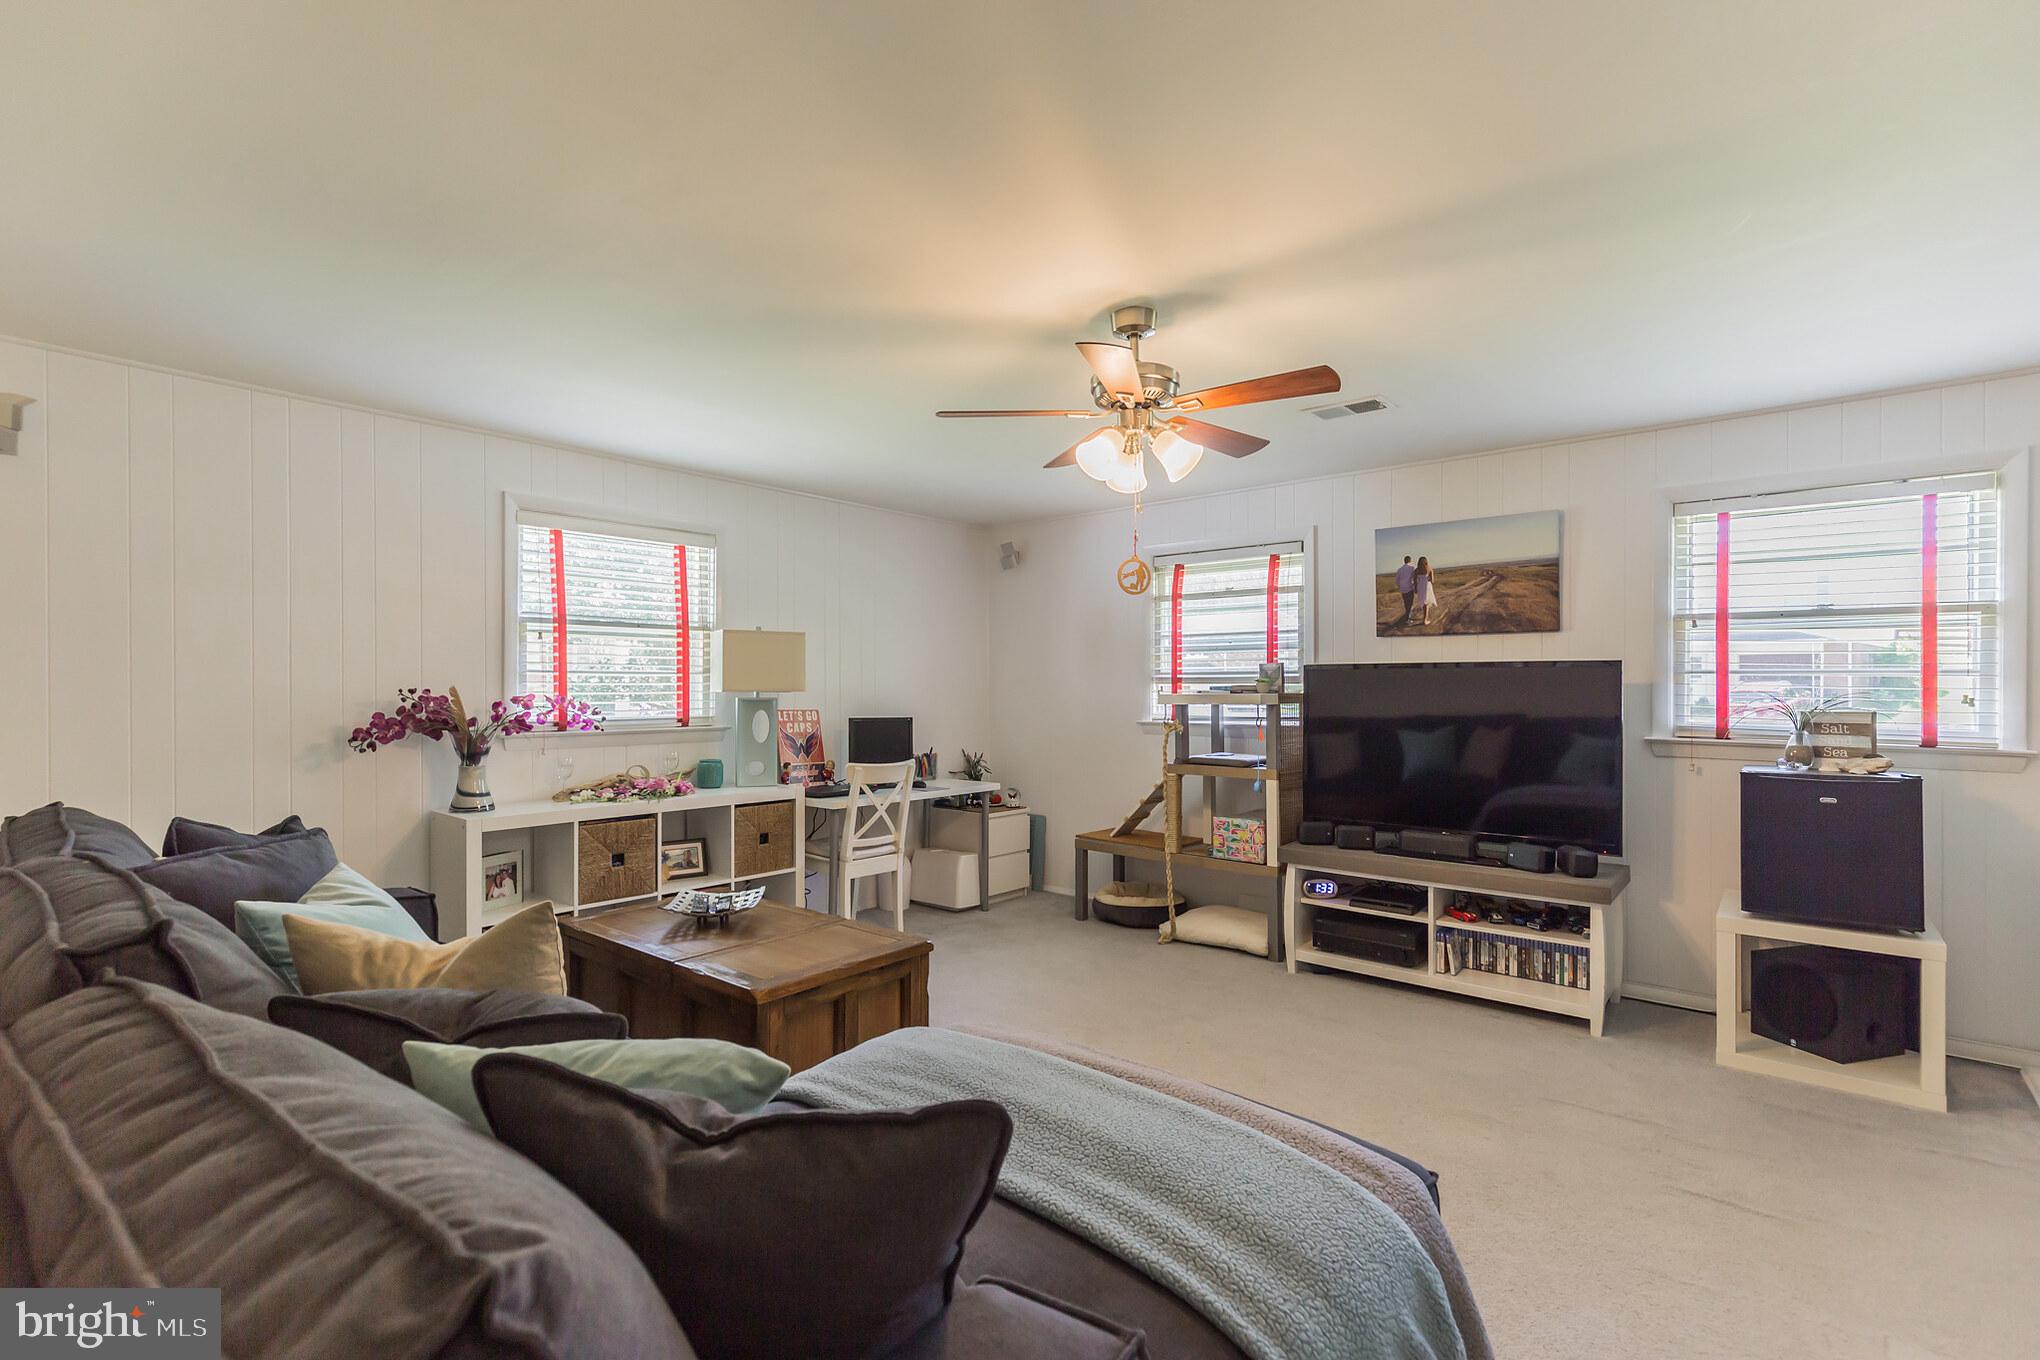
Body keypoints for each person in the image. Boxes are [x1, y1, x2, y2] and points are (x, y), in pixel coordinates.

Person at [1414, 555, 1437, 625]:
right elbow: (1432, 581)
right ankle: (1425, 619)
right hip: (1427, 586)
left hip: (1420, 586)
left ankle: (1425, 617)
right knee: (1426, 602)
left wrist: (1415, 588)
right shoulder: (1429, 568)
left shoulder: (1416, 570)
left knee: (1424, 602)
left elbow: (1414, 580)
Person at [1394, 555, 1416, 625]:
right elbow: (1415, 579)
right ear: (1410, 560)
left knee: (1406, 603)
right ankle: (1408, 619)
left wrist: (1400, 586)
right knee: (1410, 603)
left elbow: (1397, 580)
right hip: (1410, 588)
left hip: (1403, 589)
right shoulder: (1412, 568)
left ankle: (1407, 616)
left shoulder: (1399, 569)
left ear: (1404, 561)